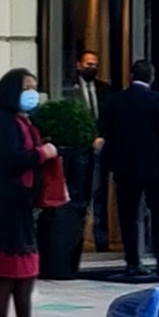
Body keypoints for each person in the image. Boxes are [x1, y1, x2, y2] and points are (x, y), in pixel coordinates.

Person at [0, 69, 54, 317]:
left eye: (34, 87)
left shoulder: (23, 121)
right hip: (1, 204)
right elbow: (8, 159)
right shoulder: (0, 121)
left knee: (26, 268)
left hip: (20, 203)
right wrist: (41, 154)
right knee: (6, 269)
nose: (32, 93)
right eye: (26, 88)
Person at [100, 58, 159, 282]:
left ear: (131, 76)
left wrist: (108, 166)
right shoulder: (157, 100)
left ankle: (133, 262)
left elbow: (108, 136)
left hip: (125, 168)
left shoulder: (115, 101)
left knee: (128, 216)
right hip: (156, 168)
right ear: (151, 78)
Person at [66, 50, 110, 249]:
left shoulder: (104, 89)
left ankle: (101, 239)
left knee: (100, 194)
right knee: (79, 195)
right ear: (78, 65)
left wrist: (103, 137)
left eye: (94, 64)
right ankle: (77, 239)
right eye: (87, 64)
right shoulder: (69, 89)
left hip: (101, 149)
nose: (91, 67)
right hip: (78, 151)